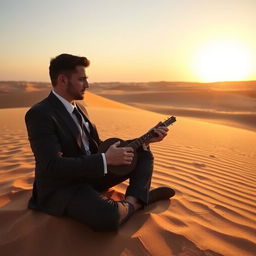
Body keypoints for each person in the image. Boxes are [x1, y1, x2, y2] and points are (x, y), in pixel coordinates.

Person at [25, 53, 175, 232]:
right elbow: (52, 165)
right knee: (109, 217)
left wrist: (144, 140)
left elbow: (94, 147)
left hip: (92, 175)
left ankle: (132, 202)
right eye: (81, 79)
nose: (87, 85)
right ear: (63, 80)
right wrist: (105, 160)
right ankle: (139, 201)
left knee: (142, 152)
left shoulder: (80, 108)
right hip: (63, 187)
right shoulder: (40, 114)